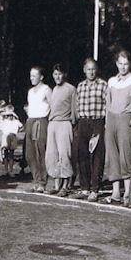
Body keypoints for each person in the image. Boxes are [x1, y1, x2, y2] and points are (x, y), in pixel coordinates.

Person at [103, 50, 131, 205]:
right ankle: (116, 192)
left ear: (130, 64)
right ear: (116, 64)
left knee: (125, 154)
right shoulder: (111, 81)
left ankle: (128, 191)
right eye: (120, 63)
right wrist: (107, 121)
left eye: (126, 64)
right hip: (111, 119)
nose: (123, 67)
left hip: (125, 118)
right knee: (112, 155)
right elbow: (108, 102)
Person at [73, 57, 108, 202]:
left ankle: (95, 189)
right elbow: (77, 105)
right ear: (84, 70)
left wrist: (104, 123)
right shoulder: (80, 86)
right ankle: (85, 188)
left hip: (97, 122)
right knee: (82, 155)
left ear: (96, 70)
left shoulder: (103, 85)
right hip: (83, 122)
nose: (91, 72)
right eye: (88, 69)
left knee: (97, 156)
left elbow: (107, 104)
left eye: (93, 69)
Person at [45, 64, 78, 196]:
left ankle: (65, 186)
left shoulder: (71, 89)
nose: (57, 77)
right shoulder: (54, 89)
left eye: (60, 74)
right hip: (53, 124)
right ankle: (56, 185)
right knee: (52, 155)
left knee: (65, 154)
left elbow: (74, 110)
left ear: (64, 74)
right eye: (55, 74)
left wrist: (73, 125)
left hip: (65, 124)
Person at [24, 66, 52, 192]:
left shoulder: (46, 89)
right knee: (30, 154)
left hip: (41, 121)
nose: (32, 78)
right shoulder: (30, 91)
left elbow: (53, 106)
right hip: (30, 121)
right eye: (31, 75)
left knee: (40, 152)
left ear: (41, 77)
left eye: (34, 75)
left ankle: (42, 182)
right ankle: (35, 180)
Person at [0, 103, 23, 177]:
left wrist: (17, 131)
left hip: (13, 136)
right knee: (6, 153)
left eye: (11, 115)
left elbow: (22, 126)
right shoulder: (4, 121)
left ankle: (11, 170)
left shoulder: (16, 121)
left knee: (11, 154)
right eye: (8, 115)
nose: (10, 116)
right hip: (6, 137)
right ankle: (6, 170)